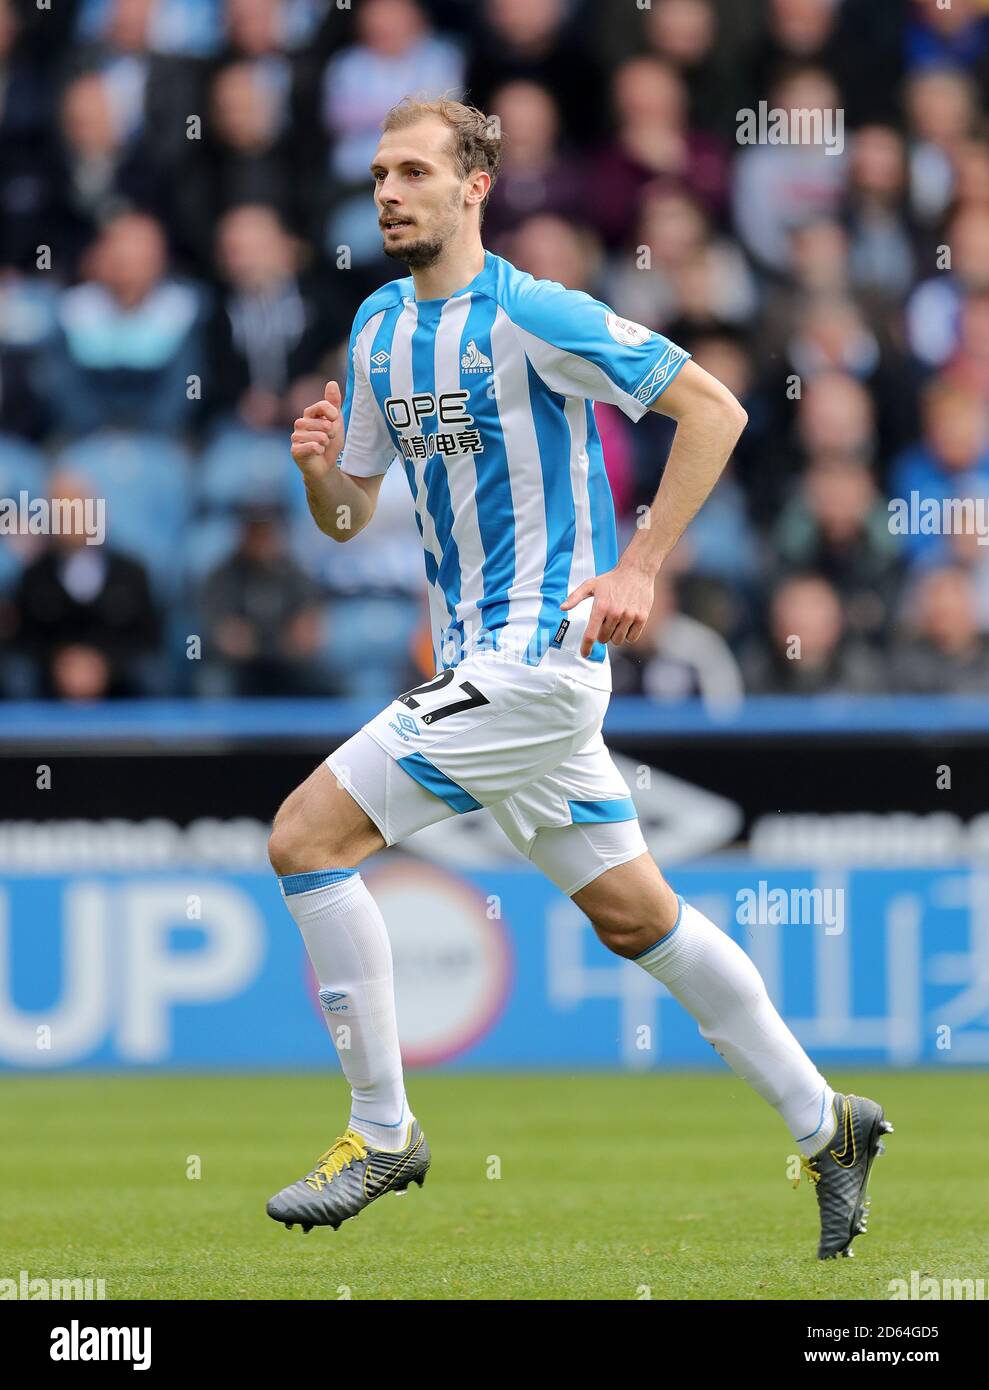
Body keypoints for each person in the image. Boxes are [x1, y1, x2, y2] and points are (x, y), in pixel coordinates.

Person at [264, 97, 891, 1258]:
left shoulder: (534, 312)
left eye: (412, 171)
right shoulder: (373, 330)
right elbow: (352, 519)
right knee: (635, 914)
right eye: (376, 175)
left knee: (305, 837)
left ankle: (382, 1129)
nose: (389, 192)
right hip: (482, 669)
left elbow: (714, 407)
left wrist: (639, 563)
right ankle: (828, 1123)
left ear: (474, 187)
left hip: (540, 662)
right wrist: (316, 478)